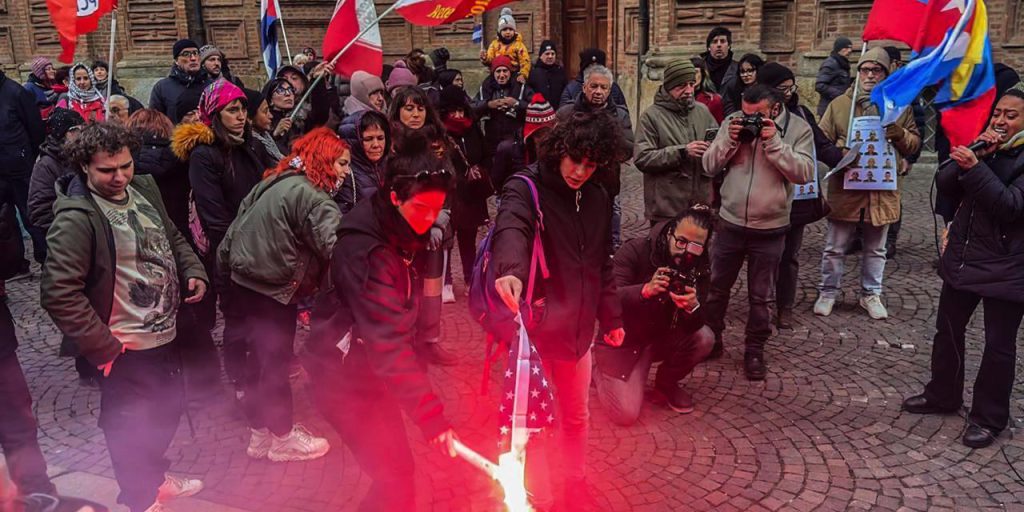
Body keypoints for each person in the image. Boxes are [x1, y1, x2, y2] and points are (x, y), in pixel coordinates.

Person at [40, 122, 208, 512]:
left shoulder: (144, 188)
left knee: (166, 413)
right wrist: (104, 347)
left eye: (125, 166)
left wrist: (192, 270)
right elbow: (58, 291)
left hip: (166, 335)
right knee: (129, 429)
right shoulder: (76, 216)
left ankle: (154, 478)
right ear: (84, 167)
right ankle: (141, 499)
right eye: (107, 170)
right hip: (124, 348)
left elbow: (171, 235)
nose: (120, 177)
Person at [302, 139, 458, 511]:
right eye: (421, 208)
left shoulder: (396, 230)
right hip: (341, 382)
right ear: (393, 198)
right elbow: (387, 342)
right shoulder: (367, 254)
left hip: (367, 374)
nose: (429, 219)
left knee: (396, 473)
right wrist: (432, 418)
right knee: (395, 477)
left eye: (436, 209)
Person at [491, 110, 629, 510]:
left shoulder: (600, 196)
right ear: (558, 149)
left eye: (590, 164)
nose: (580, 172)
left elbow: (603, 261)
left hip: (578, 332)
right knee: (526, 422)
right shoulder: (526, 187)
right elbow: (511, 227)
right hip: (533, 329)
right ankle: (529, 493)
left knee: (575, 416)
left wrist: (613, 316)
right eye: (574, 160)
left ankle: (574, 482)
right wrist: (511, 271)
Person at [902, 85, 1024, 449]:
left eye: (1011, 115)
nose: (1001, 121)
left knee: (998, 346)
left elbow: (1010, 207)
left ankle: (989, 418)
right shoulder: (985, 149)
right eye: (998, 113)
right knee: (948, 332)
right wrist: (970, 156)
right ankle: (943, 394)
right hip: (966, 257)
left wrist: (976, 169)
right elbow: (944, 184)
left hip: (1009, 266)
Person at [217, 127, 345, 462]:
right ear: (325, 160)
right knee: (274, 362)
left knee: (257, 362)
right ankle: (283, 437)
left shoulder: (274, 180)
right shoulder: (315, 197)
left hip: (243, 280)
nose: (346, 171)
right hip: (273, 290)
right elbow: (338, 249)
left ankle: (260, 433)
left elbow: (235, 226)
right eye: (342, 163)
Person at [701, 84, 815, 380]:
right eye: (745, 111)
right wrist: (728, 140)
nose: (748, 118)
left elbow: (804, 173)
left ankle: (754, 351)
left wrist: (774, 143)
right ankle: (712, 340)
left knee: (760, 297)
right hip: (730, 223)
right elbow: (709, 165)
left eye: (757, 115)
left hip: (771, 228)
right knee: (716, 289)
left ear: (775, 109)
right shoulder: (732, 121)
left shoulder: (798, 128)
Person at [814, 47, 920, 320]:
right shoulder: (840, 105)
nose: (870, 75)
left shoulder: (898, 106)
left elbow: (914, 144)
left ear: (886, 73)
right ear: (858, 72)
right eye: (865, 69)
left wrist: (899, 134)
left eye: (877, 70)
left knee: (876, 248)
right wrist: (840, 151)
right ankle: (828, 292)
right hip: (846, 188)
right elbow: (821, 140)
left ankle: (870, 294)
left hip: (880, 191)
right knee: (835, 247)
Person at [594, 205, 716, 424]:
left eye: (696, 246)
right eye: (681, 242)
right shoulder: (636, 250)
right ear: (670, 233)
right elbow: (605, 299)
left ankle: (666, 382)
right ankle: (598, 371)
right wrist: (644, 291)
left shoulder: (700, 266)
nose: (686, 251)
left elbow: (697, 323)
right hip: (625, 341)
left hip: (661, 336)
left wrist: (693, 307)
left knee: (705, 338)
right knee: (626, 414)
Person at [755, 62, 845, 330]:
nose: (789, 92)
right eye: (782, 88)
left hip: (799, 200)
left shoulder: (802, 114)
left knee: (789, 256)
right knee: (766, 255)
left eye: (791, 87)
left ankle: (785, 307)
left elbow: (821, 144)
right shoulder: (756, 113)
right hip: (767, 197)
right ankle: (762, 303)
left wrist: (843, 159)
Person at [388, 86, 458, 365]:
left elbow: (449, 182)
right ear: (398, 111)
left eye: (420, 108)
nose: (415, 114)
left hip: (433, 232)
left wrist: (440, 220)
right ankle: (402, 343)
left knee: (431, 289)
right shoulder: (390, 143)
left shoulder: (438, 143)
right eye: (409, 108)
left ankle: (428, 340)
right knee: (402, 289)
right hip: (399, 230)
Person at [557, 64, 633, 251]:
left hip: (607, 180)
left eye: (603, 87)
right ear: (584, 87)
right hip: (575, 180)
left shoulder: (620, 115)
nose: (598, 91)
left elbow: (628, 148)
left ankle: (611, 247)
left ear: (609, 91)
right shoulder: (566, 113)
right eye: (594, 86)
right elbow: (555, 147)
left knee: (609, 215)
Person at [635, 58, 719, 226]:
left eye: (691, 84)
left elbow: (717, 143)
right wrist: (682, 152)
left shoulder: (702, 111)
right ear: (668, 86)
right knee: (664, 251)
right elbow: (642, 157)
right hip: (666, 208)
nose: (689, 90)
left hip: (699, 204)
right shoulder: (650, 117)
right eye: (682, 86)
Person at [439, 85, 491, 292]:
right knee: (446, 239)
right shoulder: (440, 133)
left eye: (461, 110)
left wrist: (481, 170)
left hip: (471, 193)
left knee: (468, 238)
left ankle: (470, 278)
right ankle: (446, 281)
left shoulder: (473, 128)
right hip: (450, 193)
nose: (458, 115)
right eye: (454, 111)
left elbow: (486, 153)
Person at [0, 66, 47, 265]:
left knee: (30, 215)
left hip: (19, 167)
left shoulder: (16, 92)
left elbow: (35, 128)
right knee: (5, 219)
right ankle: (15, 261)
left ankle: (45, 257)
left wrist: (27, 155)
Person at [28, 108, 84, 233]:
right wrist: (67, 230)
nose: (81, 134)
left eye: (82, 129)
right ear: (63, 134)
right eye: (75, 130)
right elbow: (39, 212)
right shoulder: (46, 166)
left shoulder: (82, 156)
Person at [475, 55, 531, 159]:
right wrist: (488, 104)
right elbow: (472, 106)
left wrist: (516, 103)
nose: (501, 75)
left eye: (505, 71)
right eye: (498, 71)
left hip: (515, 139)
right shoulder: (486, 86)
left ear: (510, 72)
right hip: (492, 140)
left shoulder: (520, 85)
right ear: (493, 73)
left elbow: (533, 107)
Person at [337, 110, 389, 214]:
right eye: (368, 139)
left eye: (380, 138)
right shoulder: (345, 172)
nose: (376, 144)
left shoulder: (393, 165)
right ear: (355, 141)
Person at [150, 39, 206, 124]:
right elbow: (155, 121)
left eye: (196, 53)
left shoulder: (211, 85)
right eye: (186, 54)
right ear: (176, 60)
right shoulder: (163, 87)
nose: (193, 58)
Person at [560, 48, 629, 109]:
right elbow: (564, 115)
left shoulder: (614, 88)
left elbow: (622, 114)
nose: (598, 91)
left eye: (597, 67)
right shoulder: (571, 89)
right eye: (590, 67)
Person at [480, 7, 531, 82]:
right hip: (497, 75)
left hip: (514, 75)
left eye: (510, 29)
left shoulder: (519, 45)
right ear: (499, 32)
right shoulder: (494, 44)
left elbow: (525, 61)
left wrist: (523, 74)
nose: (508, 32)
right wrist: (485, 58)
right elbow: (490, 60)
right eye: (504, 29)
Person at [815, 36, 853, 118]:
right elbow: (820, 86)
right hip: (828, 109)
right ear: (839, 49)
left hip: (839, 108)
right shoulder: (830, 64)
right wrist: (841, 95)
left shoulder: (843, 64)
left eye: (850, 48)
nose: (850, 50)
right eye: (846, 48)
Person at [245, 87, 285, 165]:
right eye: (265, 111)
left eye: (269, 110)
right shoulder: (254, 147)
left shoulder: (267, 139)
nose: (271, 116)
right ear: (250, 118)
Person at [528, 40, 568, 108]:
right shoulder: (533, 73)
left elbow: (565, 92)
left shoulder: (560, 71)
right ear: (541, 56)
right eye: (547, 54)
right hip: (539, 112)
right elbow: (529, 93)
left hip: (557, 112)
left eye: (552, 54)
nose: (550, 56)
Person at [700, 26, 738, 94]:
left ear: (729, 45)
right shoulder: (700, 67)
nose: (719, 45)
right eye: (714, 42)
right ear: (709, 47)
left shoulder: (737, 68)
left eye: (722, 41)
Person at [691, 56, 725, 123]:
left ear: (702, 74)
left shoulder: (713, 100)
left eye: (695, 72)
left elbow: (718, 127)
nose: (692, 76)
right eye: (689, 72)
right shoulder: (679, 98)